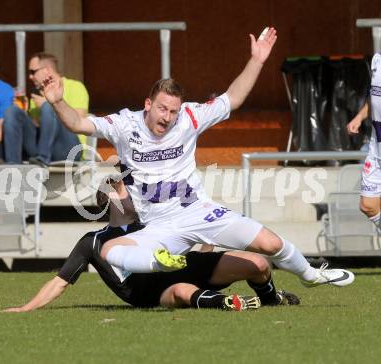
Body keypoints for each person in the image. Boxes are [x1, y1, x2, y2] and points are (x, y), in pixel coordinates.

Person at [41, 27, 354, 288]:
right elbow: (78, 123)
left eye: (173, 111)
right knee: (110, 251)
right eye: (162, 109)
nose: (168, 117)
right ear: (147, 104)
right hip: (159, 225)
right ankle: (160, 264)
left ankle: (310, 275)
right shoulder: (125, 124)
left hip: (199, 212)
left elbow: (233, 98)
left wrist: (257, 60)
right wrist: (57, 102)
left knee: (270, 244)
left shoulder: (190, 117)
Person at [4, 177, 300, 312]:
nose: (133, 194)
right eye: (125, 190)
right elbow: (60, 282)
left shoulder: (153, 224)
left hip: (186, 266)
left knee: (259, 263)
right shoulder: (92, 243)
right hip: (148, 291)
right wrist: (25, 308)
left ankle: (271, 299)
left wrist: (206, 238)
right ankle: (228, 304)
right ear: (110, 199)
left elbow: (195, 235)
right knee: (184, 292)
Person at [3, 52, 88, 167]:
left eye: (33, 72)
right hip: (41, 149)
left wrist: (51, 105)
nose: (30, 77)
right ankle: (12, 166)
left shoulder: (75, 87)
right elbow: (40, 128)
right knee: (12, 111)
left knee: (49, 106)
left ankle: (43, 159)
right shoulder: (37, 94)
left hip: (69, 149)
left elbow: (79, 120)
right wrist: (25, 115)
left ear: (47, 70)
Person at [347, 53, 381, 227]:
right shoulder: (377, 60)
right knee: (368, 205)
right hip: (377, 148)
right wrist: (359, 117)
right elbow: (375, 96)